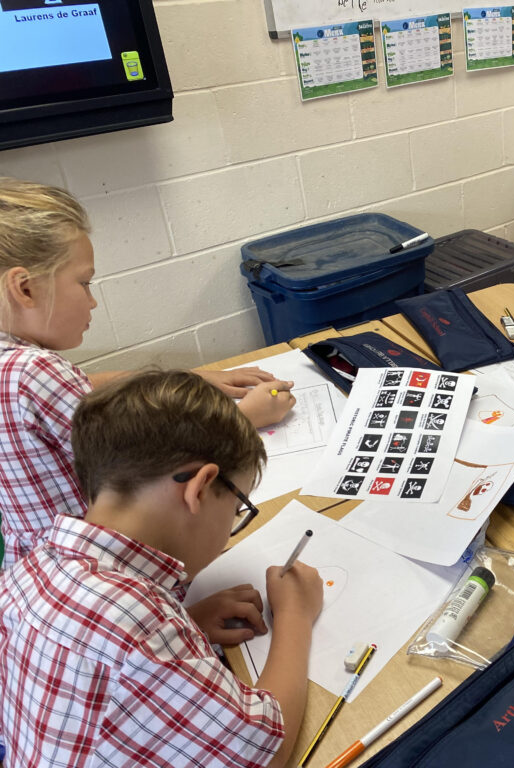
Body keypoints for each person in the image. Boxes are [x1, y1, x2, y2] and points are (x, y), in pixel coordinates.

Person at [0, 370, 323, 767]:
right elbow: (264, 753)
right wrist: (295, 615)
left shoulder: (30, 568)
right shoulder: (142, 627)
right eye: (237, 509)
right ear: (200, 488)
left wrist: (187, 624)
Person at [0, 177, 297, 566]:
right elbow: (156, 464)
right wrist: (248, 416)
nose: (92, 302)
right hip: (100, 569)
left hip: (30, 567)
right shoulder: (36, 372)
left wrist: (189, 379)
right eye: (84, 283)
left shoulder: (17, 367)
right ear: (23, 288)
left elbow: (87, 389)